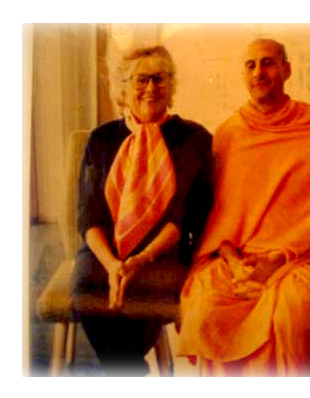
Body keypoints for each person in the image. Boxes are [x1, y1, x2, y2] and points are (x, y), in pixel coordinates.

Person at [175, 39, 310, 376]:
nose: (259, 72)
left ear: (287, 70)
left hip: (293, 258)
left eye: (268, 63)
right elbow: (219, 218)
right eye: (250, 65)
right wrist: (235, 262)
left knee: (295, 308)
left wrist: (275, 260)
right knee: (207, 305)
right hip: (235, 257)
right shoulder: (228, 135)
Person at [71, 45, 213, 376]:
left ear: (172, 86)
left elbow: (186, 216)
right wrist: (113, 265)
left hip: (164, 253)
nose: (151, 88)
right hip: (104, 251)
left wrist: (139, 261)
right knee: (89, 293)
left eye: (160, 79)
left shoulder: (193, 137)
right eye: (140, 79)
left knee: (139, 298)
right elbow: (88, 216)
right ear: (123, 89)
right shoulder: (102, 138)